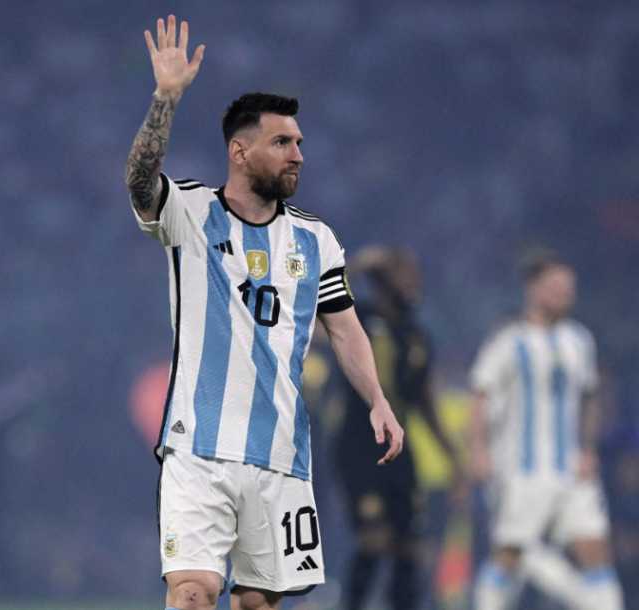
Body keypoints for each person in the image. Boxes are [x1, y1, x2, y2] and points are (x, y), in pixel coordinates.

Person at [124, 15, 404, 610]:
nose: (297, 154)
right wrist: (165, 99)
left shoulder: (316, 240)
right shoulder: (191, 212)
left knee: (259, 603)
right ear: (239, 150)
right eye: (282, 143)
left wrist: (377, 398)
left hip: (280, 455)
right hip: (197, 449)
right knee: (194, 591)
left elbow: (345, 330)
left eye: (299, 143)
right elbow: (140, 182)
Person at [470, 249, 624, 610]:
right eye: (556, 286)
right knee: (510, 554)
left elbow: (588, 398)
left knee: (594, 547)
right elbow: (480, 397)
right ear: (533, 288)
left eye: (569, 288)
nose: (565, 294)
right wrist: (478, 451)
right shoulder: (509, 341)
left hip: (571, 468)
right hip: (521, 469)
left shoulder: (580, 340)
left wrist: (588, 449)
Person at [335, 246, 463, 610]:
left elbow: (424, 401)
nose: (414, 283)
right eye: (405, 274)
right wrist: (357, 265)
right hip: (359, 447)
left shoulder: (416, 335)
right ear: (384, 280)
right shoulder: (358, 321)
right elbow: (318, 303)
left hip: (399, 451)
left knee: (410, 545)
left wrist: (453, 455)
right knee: (373, 540)